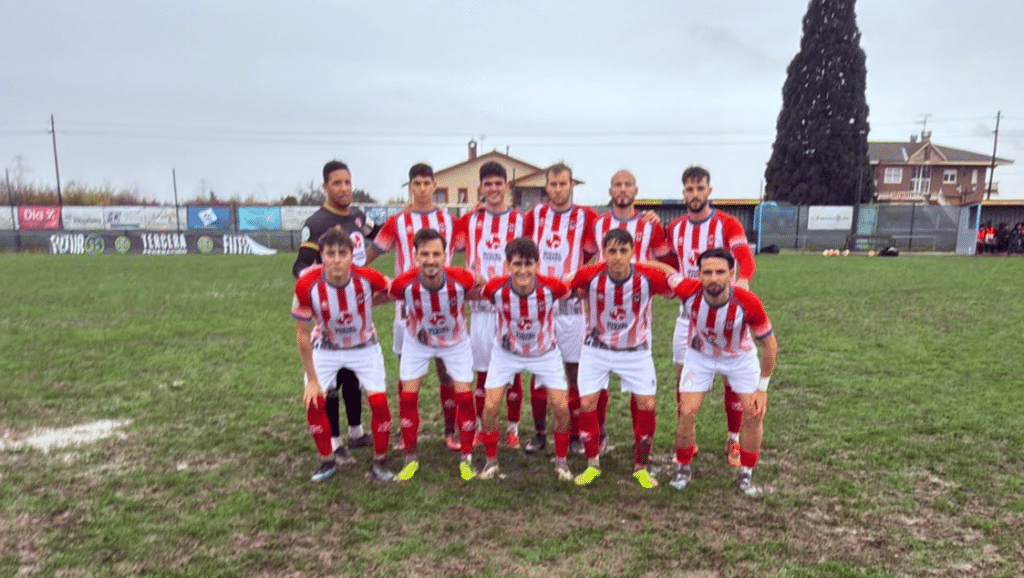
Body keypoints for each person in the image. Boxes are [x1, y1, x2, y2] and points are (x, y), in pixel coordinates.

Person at [662, 247, 777, 497]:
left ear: (731, 274)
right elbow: (665, 271)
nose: (713, 278)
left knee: (754, 414)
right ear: (699, 274)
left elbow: (769, 345)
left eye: (720, 272)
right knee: (687, 411)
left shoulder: (748, 302)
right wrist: (634, 263)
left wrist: (763, 388)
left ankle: (746, 474)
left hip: (739, 358)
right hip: (700, 355)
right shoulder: (688, 291)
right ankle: (683, 468)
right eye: (707, 272)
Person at [566, 229, 675, 489]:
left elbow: (674, 278)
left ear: (632, 253)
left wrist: (648, 263)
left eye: (623, 251)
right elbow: (564, 285)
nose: (617, 257)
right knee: (588, 402)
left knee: (647, 404)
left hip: (636, 352)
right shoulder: (590, 275)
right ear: (603, 254)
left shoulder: (648, 277)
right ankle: (593, 464)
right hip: (596, 349)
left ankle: (641, 467)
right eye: (611, 251)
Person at [665, 165, 756, 467]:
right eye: (689, 190)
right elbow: (664, 262)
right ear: (683, 193)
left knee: (733, 377)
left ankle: (733, 439)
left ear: (709, 190)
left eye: (700, 188)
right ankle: (687, 441)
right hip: (687, 317)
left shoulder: (727, 224)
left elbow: (745, 260)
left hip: (726, 313)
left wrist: (741, 286)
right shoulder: (675, 227)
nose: (695, 195)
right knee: (684, 380)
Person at [366, 163, 461, 451]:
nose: (421, 189)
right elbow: (372, 253)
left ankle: (449, 432)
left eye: (426, 183)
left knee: (446, 371)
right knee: (408, 374)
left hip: (443, 307)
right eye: (416, 184)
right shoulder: (397, 221)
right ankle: (405, 434)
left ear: (434, 186)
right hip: (405, 309)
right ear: (410, 187)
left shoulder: (449, 220)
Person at [292, 226, 395, 483]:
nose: (336, 259)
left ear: (352, 256)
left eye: (342, 253)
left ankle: (380, 462)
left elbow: (396, 290)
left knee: (379, 403)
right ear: (322, 257)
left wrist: (371, 302)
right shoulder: (306, 285)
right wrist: (313, 380)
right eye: (330, 254)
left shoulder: (369, 277)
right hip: (326, 348)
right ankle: (327, 461)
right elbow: (302, 336)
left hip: (364, 347)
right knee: (314, 401)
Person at [291, 160, 378, 459]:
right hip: (329, 307)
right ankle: (336, 441)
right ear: (325, 187)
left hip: (358, 305)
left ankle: (356, 431)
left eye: (347, 182)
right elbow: (300, 265)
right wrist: (324, 280)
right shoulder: (316, 224)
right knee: (332, 380)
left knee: (352, 372)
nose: (343, 189)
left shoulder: (357, 216)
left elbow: (376, 232)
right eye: (337, 183)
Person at [586, 169, 671, 453]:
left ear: (636, 190)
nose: (622, 189)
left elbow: (666, 259)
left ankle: (640, 442)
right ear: (610, 191)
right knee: (597, 379)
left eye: (627, 184)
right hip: (602, 308)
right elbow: (586, 256)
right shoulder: (597, 224)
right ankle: (600, 433)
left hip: (638, 309)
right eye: (617, 185)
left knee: (640, 385)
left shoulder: (650, 225)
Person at [476, 237, 574, 481]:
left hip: (545, 353)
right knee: (489, 407)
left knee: (562, 407)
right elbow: (479, 290)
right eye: (517, 264)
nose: (522, 270)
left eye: (528, 264)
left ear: (537, 265)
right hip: (506, 353)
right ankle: (491, 462)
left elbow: (574, 290)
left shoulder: (553, 288)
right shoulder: (495, 289)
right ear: (507, 265)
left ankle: (561, 462)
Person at [387, 228, 481, 481]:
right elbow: (386, 295)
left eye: (436, 254)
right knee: (407, 397)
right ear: (416, 256)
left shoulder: (461, 278)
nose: (431, 260)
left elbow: (479, 283)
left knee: (464, 396)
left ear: (445, 256)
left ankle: (467, 458)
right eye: (425, 254)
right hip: (417, 342)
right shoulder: (403, 283)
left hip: (455, 342)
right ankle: (410, 458)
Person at [521, 163, 599, 455]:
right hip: (540, 306)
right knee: (540, 371)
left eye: (562, 184)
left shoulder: (586, 216)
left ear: (571, 185)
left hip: (571, 308)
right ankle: (540, 434)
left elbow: (596, 246)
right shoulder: (535, 216)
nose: (557, 189)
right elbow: (521, 246)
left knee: (574, 371)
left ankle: (576, 434)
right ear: (546, 186)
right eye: (552, 184)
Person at [453, 161, 526, 449]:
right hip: (481, 311)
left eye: (499, 183)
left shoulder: (523, 220)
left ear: (506, 186)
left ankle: (514, 428)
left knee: (513, 372)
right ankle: (485, 426)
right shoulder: (468, 222)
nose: (494, 189)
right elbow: (446, 242)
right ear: (481, 188)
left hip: (511, 308)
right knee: (482, 372)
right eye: (488, 184)